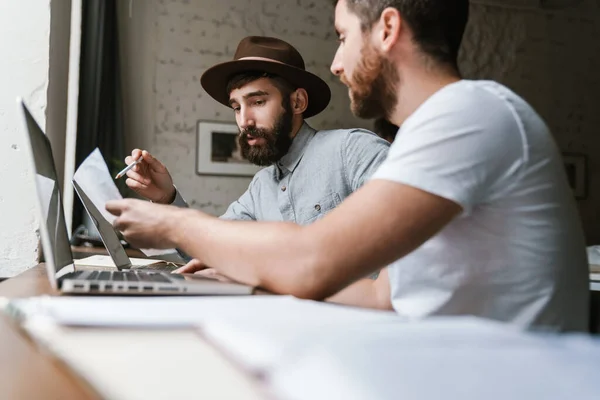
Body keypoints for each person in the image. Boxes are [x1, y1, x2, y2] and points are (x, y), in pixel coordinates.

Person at [107, 0, 589, 331]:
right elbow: (383, 297)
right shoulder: (440, 127)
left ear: (387, 29)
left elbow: (313, 261)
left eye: (342, 37)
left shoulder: (469, 115)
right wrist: (242, 272)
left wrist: (174, 219)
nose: (336, 65)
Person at [122, 35, 389, 270]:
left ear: (297, 102)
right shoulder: (260, 189)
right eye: (237, 107)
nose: (244, 121)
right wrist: (166, 198)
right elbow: (208, 249)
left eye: (258, 102)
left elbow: (410, 241)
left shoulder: (353, 151)